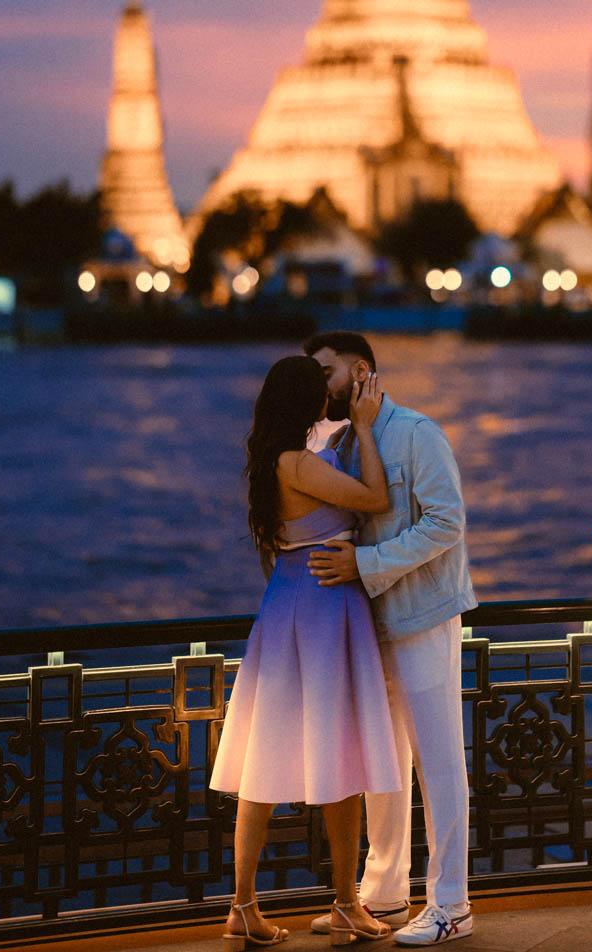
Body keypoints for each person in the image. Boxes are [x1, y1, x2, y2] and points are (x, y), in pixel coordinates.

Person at [210, 356, 402, 950]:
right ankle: (339, 904)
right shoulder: (297, 462)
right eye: (320, 389)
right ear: (304, 401)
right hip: (323, 606)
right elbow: (376, 498)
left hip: (290, 600)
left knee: (271, 757)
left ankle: (250, 906)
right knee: (338, 752)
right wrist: (364, 426)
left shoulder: (278, 459)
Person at [304, 332, 476, 946]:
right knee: (384, 760)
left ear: (361, 372)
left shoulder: (418, 432)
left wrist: (365, 563)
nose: (317, 384)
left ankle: (452, 905)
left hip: (423, 615)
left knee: (438, 761)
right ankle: (385, 892)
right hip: (367, 623)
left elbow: (447, 522)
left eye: (325, 372)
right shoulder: (342, 442)